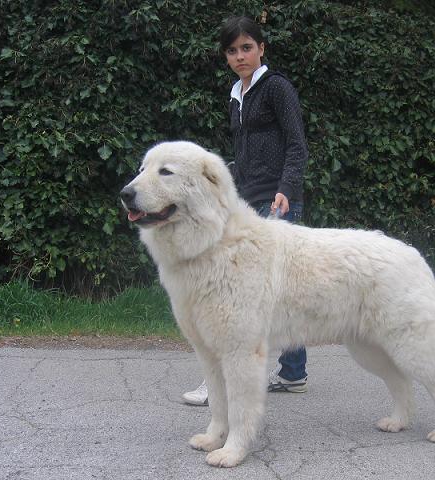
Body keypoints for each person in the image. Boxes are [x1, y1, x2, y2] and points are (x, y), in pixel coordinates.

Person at [182, 15, 309, 406]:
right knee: (252, 292)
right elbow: (243, 152)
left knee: (274, 291)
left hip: (276, 200)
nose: (240, 56)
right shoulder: (237, 93)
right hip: (246, 200)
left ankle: (243, 377)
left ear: (261, 48)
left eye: (247, 48)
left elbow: (297, 145)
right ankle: (291, 374)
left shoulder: (276, 88)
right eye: (232, 51)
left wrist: (286, 189)